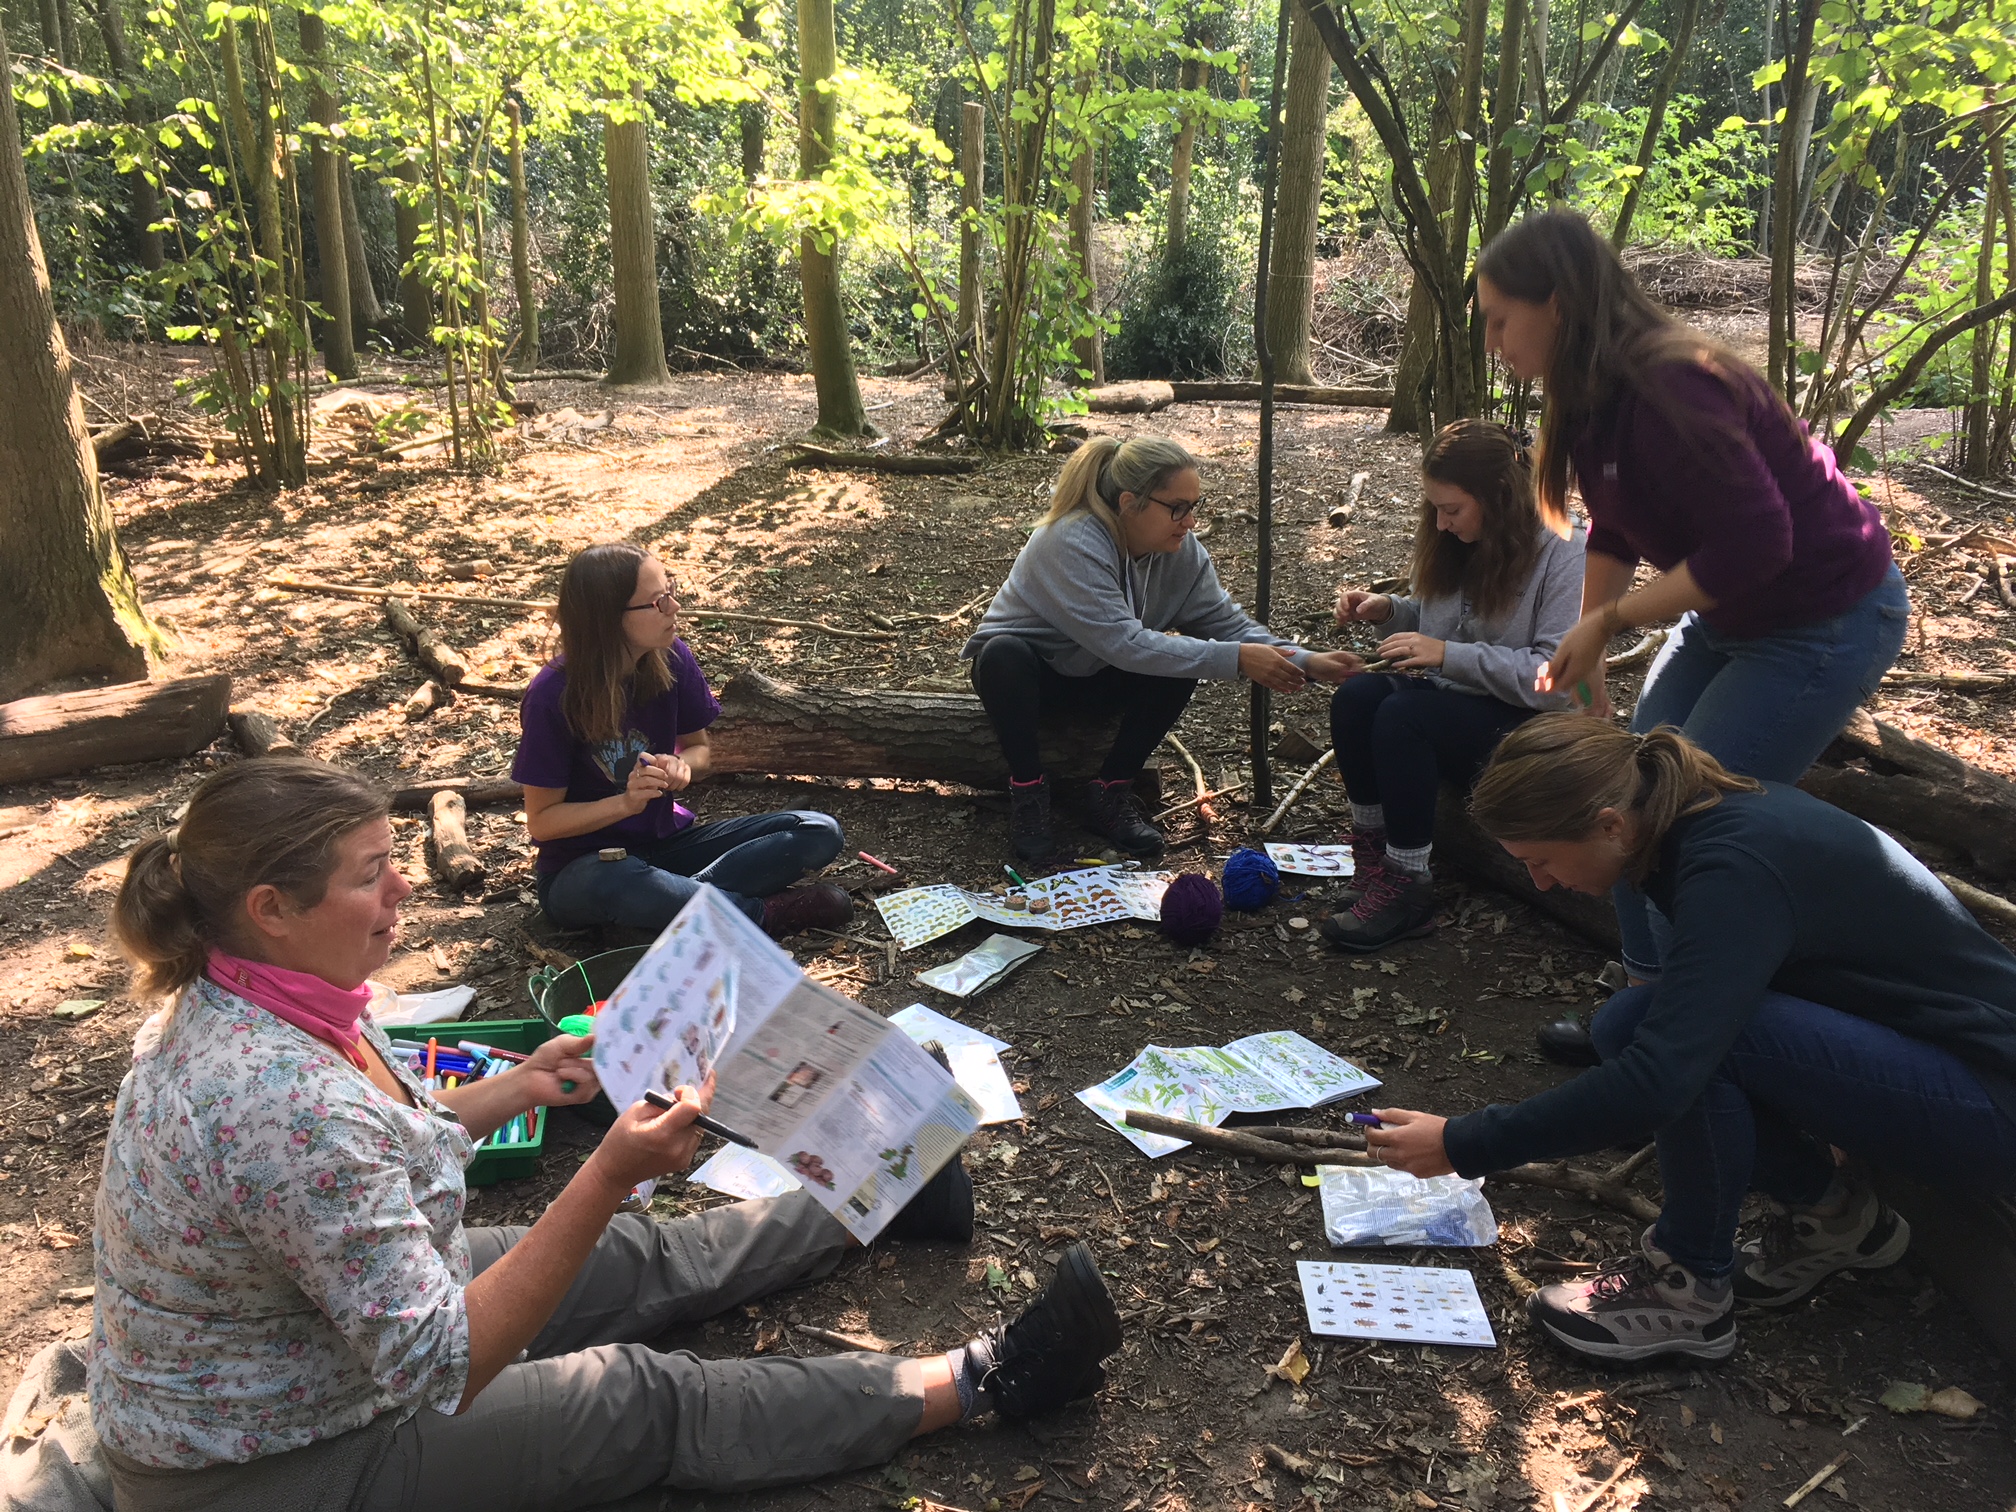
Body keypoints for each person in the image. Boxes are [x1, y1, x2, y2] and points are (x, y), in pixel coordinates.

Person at [90, 758, 1124, 1512]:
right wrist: (605, 1170)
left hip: (321, 1342)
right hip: (266, 1461)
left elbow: (381, 1141)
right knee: (638, 1395)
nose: (402, 888)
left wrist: (520, 1086)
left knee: (639, 1249)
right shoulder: (274, 1098)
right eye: (371, 875)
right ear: (270, 908)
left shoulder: (273, 996)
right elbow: (440, 1363)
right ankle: (990, 1379)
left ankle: (875, 1199)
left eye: (393, 859)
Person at [1359, 715, 2016, 1365]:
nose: (1541, 883)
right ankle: (1838, 1219)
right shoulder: (1696, 821)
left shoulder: (1730, 865)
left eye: (1542, 861)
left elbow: (1662, 1078)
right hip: (1937, 1055)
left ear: (1610, 824)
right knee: (1628, 1021)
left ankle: (1690, 1288)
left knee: (1691, 1048)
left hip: (1990, 1096)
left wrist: (1463, 1143)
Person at [1474, 210, 1908, 1058]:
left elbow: (1760, 542)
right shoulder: (1592, 396)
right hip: (1734, 615)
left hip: (1823, 617)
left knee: (1672, 821)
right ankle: (1650, 1020)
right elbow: (1617, 529)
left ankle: (1692, 1045)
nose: (1494, 342)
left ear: (1555, 304)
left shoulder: (1675, 385)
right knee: (1630, 789)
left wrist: (1611, 619)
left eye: (1500, 319)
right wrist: (1590, 643)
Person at [965, 435, 1357, 862]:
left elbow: (1224, 623)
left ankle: (1111, 793)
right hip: (1031, 680)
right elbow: (1124, 643)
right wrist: (1237, 659)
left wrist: (1309, 661)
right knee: (1004, 654)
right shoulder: (1071, 540)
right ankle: (1028, 793)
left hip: (1097, 677)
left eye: (1194, 507)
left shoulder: (1180, 550)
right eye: (1177, 507)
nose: (1189, 522)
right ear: (1130, 502)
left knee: (1181, 661)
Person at [1321, 419, 1585, 952]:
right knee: (1355, 697)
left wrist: (1447, 656)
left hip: (1531, 731)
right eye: (1434, 509)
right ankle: (1374, 857)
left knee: (1404, 717)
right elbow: (1444, 621)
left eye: (1452, 510)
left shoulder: (1564, 549)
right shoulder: (1461, 541)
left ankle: (1408, 882)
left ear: (1501, 498)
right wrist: (1391, 612)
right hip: (1458, 705)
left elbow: (1555, 680)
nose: (1440, 525)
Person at [513, 542, 852, 940]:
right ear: (608, 618)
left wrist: (682, 766)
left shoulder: (671, 657)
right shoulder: (554, 694)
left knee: (817, 830)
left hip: (668, 847)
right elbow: (543, 821)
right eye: (658, 602)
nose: (674, 608)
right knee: (617, 878)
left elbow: (701, 750)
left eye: (671, 592)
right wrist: (624, 803)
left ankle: (666, 909)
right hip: (586, 869)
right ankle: (759, 915)